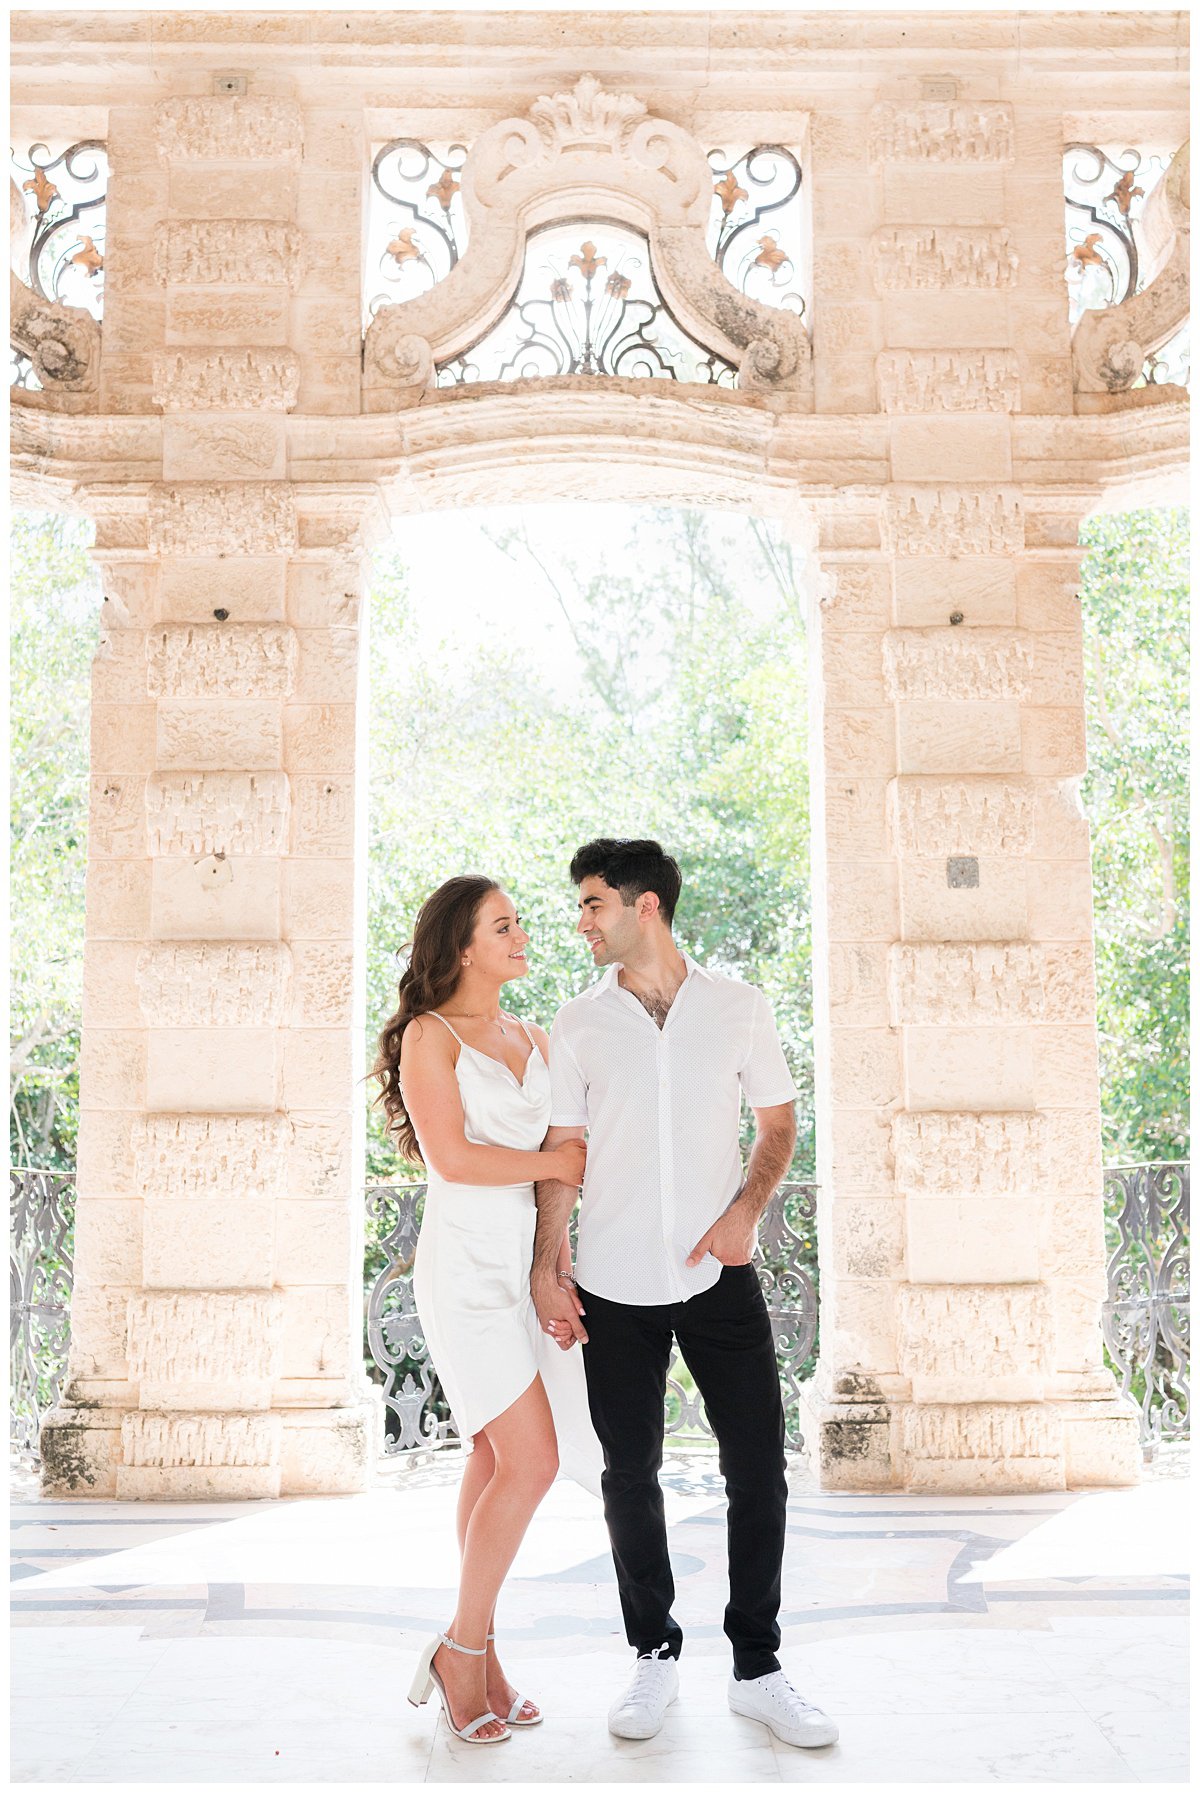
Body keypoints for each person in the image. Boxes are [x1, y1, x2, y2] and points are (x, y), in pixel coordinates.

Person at [531, 838, 839, 1751]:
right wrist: (552, 1260)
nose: (581, 921)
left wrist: (747, 1208)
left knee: (759, 1468)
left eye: (593, 903)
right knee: (630, 1473)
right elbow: (564, 1150)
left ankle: (758, 1666)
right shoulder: (578, 1022)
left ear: (645, 906)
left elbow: (779, 1120)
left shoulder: (739, 1007)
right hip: (614, 1280)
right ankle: (653, 1653)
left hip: (716, 1273)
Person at [372, 875, 602, 1746]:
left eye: (518, 923)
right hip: (464, 1268)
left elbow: (563, 1158)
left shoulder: (536, 1036)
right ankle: (461, 1651)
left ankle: (483, 1652)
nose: (521, 934)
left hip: (522, 1264)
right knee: (531, 1461)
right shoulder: (429, 1037)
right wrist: (553, 1166)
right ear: (463, 947)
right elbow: (458, 1159)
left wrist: (554, 1262)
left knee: (492, 1452)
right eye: (502, 926)